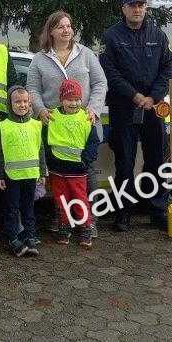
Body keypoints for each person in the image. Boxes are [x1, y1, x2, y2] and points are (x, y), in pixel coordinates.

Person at [26, 10, 107, 236]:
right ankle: (61, 217)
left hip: (84, 124)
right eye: (60, 26)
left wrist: (93, 109)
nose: (66, 30)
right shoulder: (40, 59)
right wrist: (40, 110)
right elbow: (32, 88)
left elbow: (100, 83)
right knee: (58, 175)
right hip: (55, 127)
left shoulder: (86, 54)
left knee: (87, 172)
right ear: (51, 31)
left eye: (69, 26)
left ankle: (89, 220)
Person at [99, 0, 172, 233]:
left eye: (141, 5)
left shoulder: (158, 35)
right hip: (123, 107)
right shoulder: (111, 36)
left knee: (156, 160)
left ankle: (157, 211)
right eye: (132, 5)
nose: (137, 9)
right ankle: (123, 213)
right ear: (123, 8)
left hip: (153, 108)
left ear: (146, 8)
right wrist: (134, 95)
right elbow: (109, 72)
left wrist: (153, 96)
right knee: (125, 162)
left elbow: (168, 68)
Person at [44, 79, 98, 248]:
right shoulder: (52, 116)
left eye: (77, 99)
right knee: (61, 201)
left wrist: (85, 161)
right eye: (69, 99)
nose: (74, 103)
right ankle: (64, 226)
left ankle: (86, 227)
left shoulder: (86, 117)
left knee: (80, 200)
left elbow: (93, 142)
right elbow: (45, 141)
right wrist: (49, 161)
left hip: (77, 170)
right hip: (57, 169)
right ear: (62, 100)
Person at [0, 86, 45, 257]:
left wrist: (42, 172)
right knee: (12, 209)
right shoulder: (3, 126)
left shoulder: (36, 125)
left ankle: (30, 236)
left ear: (30, 103)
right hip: (11, 176)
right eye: (17, 102)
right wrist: (0, 175)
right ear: (10, 104)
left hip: (31, 174)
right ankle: (13, 238)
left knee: (28, 208)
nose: (22, 105)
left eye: (25, 101)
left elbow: (40, 150)